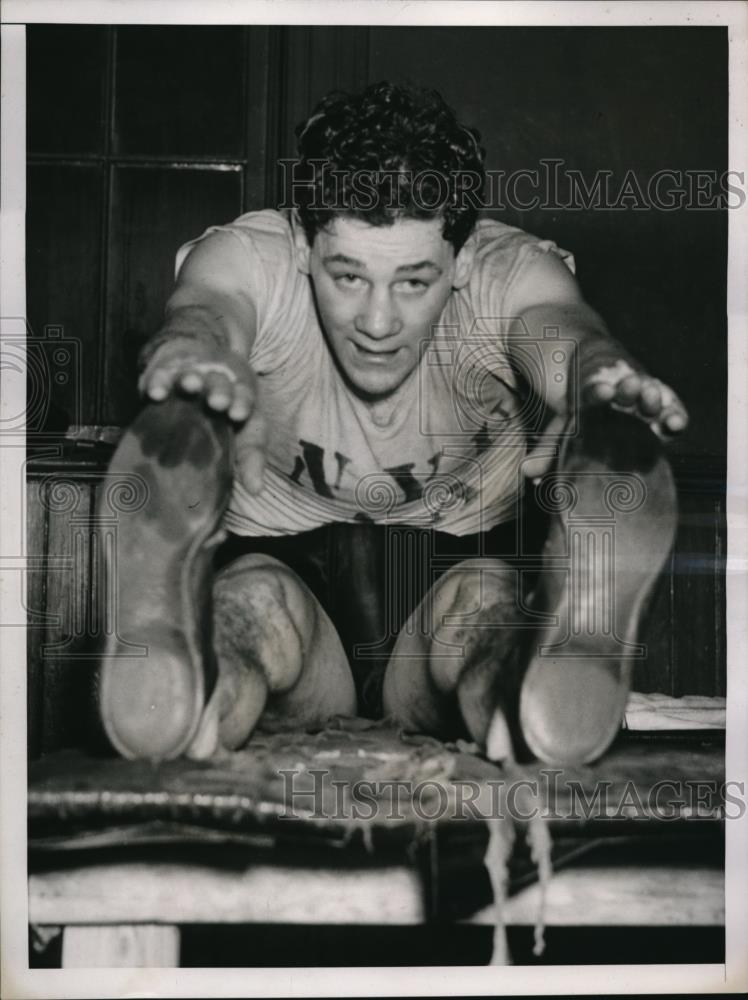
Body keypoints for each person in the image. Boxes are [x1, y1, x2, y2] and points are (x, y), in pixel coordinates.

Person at [98, 82, 688, 767]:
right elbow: (206, 311)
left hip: (452, 554)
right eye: (347, 277)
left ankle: (535, 697)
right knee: (253, 607)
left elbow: (562, 333)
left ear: (461, 262)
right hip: (286, 550)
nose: (377, 323)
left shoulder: (508, 271)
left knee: (479, 613)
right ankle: (179, 699)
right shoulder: (248, 256)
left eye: (413, 283)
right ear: (301, 245)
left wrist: (599, 384)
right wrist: (195, 361)